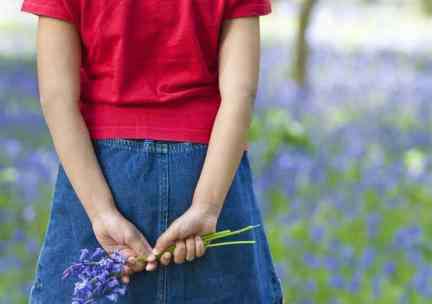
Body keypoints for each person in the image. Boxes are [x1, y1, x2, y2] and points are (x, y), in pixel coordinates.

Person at [19, 0, 284, 303]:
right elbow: (240, 94)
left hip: (100, 170)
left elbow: (56, 97)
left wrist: (101, 213)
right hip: (208, 168)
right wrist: (206, 208)